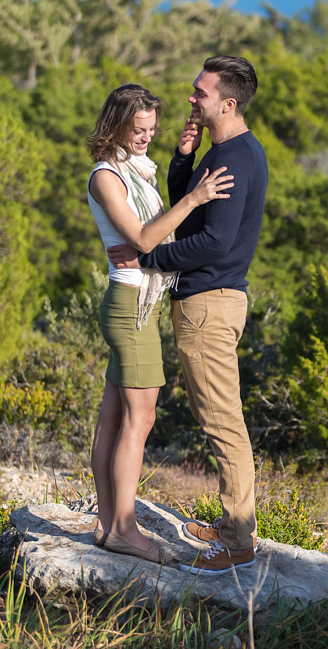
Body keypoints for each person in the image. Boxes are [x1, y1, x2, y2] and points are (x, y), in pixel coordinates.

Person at [109, 56, 269, 576]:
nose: (190, 99)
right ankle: (230, 528)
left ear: (228, 102)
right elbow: (190, 207)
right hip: (210, 300)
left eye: (199, 93)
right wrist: (184, 160)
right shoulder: (222, 150)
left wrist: (150, 258)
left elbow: (213, 241)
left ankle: (238, 542)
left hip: (209, 302)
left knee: (223, 422)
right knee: (218, 417)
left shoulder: (236, 159)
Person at [86, 84, 233, 564]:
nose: (146, 136)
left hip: (137, 302)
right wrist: (194, 197)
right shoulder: (106, 177)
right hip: (130, 306)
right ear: (116, 125)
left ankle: (110, 526)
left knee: (114, 416)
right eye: (138, 129)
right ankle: (125, 529)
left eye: (152, 129)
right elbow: (146, 237)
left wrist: (182, 159)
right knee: (140, 418)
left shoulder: (136, 170)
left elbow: (150, 237)